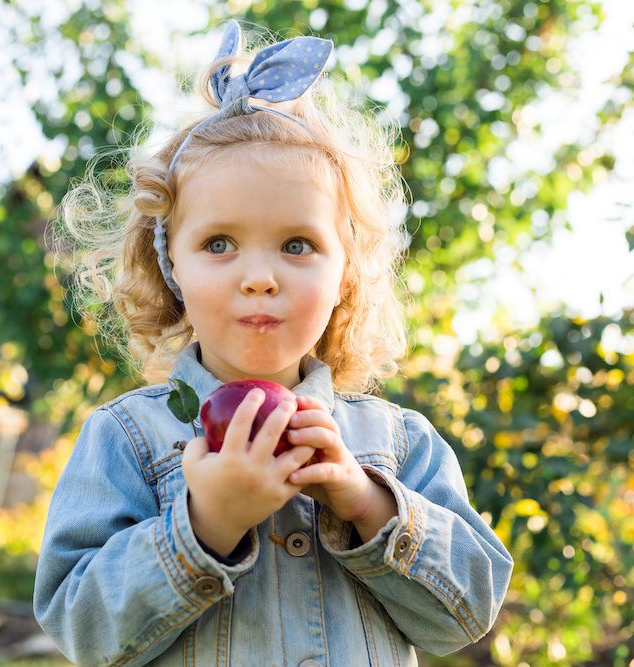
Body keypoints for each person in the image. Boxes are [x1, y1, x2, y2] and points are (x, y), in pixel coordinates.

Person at [34, 20, 513, 666]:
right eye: (219, 243)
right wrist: (204, 526)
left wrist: (365, 499)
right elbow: (80, 626)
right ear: (170, 263)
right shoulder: (126, 439)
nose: (259, 277)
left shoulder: (398, 444)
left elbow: (469, 609)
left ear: (344, 271)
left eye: (296, 244)